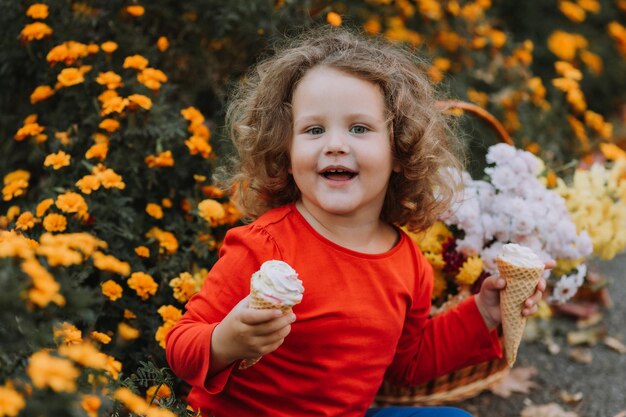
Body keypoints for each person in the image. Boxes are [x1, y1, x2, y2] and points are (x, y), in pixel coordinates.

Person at [165, 26, 548, 417]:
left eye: (359, 128)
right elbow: (180, 346)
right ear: (287, 149)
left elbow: (408, 364)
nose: (335, 143)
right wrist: (225, 341)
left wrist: (484, 312)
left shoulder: (408, 263)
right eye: (314, 130)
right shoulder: (264, 246)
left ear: (400, 150)